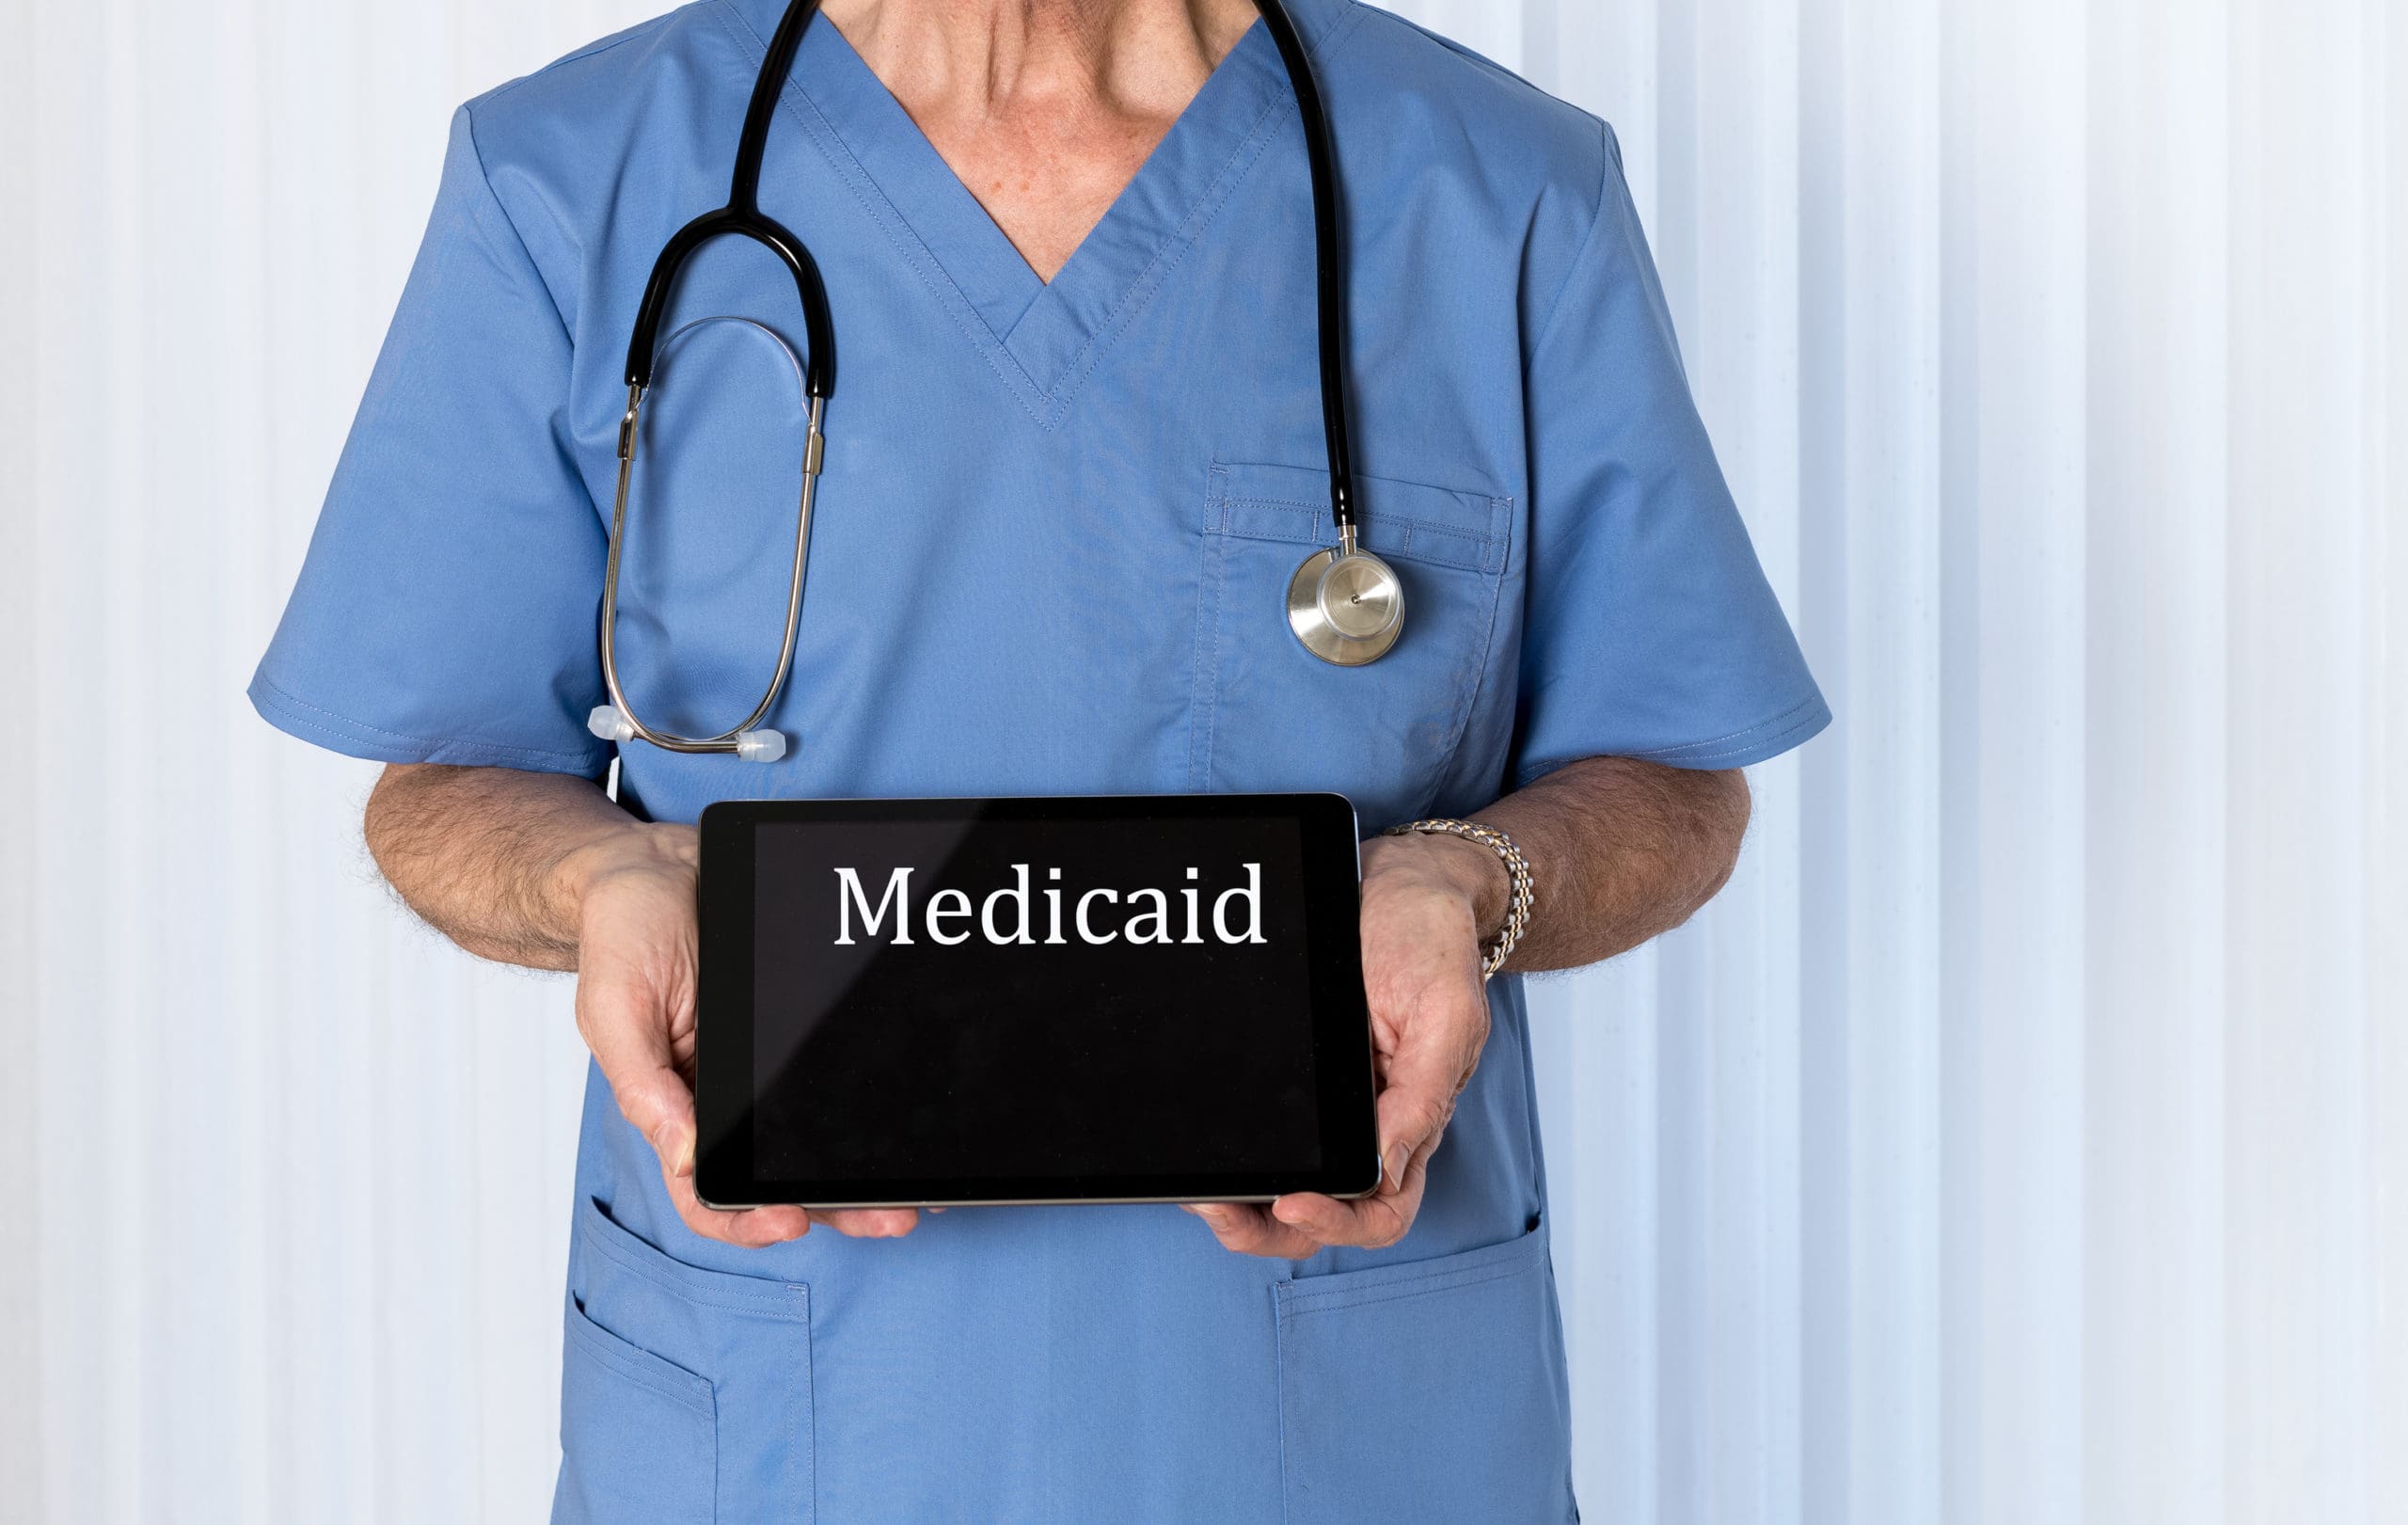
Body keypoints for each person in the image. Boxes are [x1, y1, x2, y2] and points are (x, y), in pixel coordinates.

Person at [250, 0, 1828, 1517]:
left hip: (1338, 1421)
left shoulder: (1498, 190)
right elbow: (439, 776)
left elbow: (1672, 769)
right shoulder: (568, 179)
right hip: (792, 1414)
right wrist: (599, 875)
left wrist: (1475, 879)